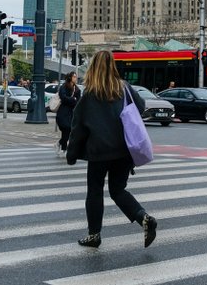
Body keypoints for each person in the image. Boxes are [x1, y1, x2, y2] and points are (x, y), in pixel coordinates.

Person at [66, 50, 157, 249]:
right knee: (118, 190)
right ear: (112, 66)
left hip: (98, 153)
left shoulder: (89, 94)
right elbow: (140, 107)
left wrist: (71, 154)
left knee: (95, 191)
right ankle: (144, 217)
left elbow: (77, 128)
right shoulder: (123, 87)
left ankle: (94, 235)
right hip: (124, 151)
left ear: (93, 68)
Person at [55, 71, 80, 157]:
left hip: (71, 113)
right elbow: (63, 97)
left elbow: (78, 101)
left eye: (76, 77)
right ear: (70, 78)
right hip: (62, 113)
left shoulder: (77, 89)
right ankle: (63, 147)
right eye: (74, 77)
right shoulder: (64, 87)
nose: (75, 79)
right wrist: (73, 99)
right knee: (65, 130)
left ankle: (61, 145)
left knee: (68, 131)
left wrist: (72, 100)